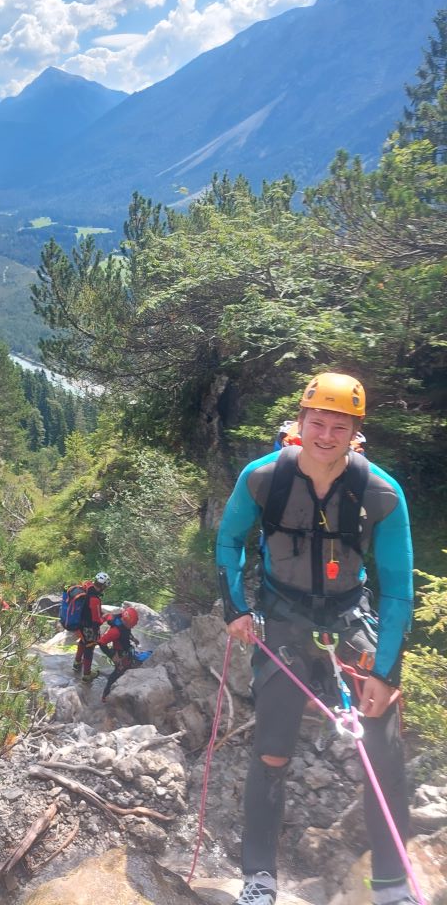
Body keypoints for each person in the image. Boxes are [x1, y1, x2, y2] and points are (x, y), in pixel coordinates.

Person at [215, 373, 415, 905]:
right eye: (318, 422)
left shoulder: (380, 493)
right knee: (272, 748)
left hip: (349, 615)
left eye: (339, 426)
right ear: (300, 423)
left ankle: (392, 885)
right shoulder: (263, 478)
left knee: (384, 750)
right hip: (283, 616)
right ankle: (259, 878)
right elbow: (230, 540)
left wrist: (384, 672)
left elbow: (398, 589)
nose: (326, 435)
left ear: (355, 432)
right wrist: (236, 609)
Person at [72, 571, 110, 682]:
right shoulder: (95, 599)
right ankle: (87, 674)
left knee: (82, 642)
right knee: (89, 648)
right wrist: (106, 618)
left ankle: (77, 663)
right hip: (89, 627)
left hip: (80, 624)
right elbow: (96, 621)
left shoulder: (87, 588)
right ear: (103, 586)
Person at [99, 606, 140, 701]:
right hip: (118, 652)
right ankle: (106, 695)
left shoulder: (123, 620)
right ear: (126, 622)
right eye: (132, 625)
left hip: (124, 649)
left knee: (127, 667)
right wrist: (112, 655)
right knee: (118, 671)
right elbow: (101, 642)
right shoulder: (115, 631)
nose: (133, 627)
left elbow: (126, 631)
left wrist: (133, 639)